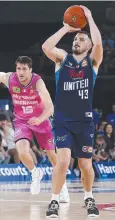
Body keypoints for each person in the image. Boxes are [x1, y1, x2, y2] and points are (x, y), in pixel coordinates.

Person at [42, 5, 103, 217]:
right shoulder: (62, 58)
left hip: (84, 121)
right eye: (76, 39)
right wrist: (66, 28)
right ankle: (54, 201)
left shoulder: (92, 62)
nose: (77, 41)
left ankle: (89, 197)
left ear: (88, 45)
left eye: (81, 39)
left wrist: (90, 18)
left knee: (86, 165)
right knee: (63, 160)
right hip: (62, 120)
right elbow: (46, 46)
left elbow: (98, 42)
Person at [0, 56, 70, 202]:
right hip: (21, 121)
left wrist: (40, 119)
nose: (21, 72)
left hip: (41, 120)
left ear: (30, 70)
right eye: (18, 68)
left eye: (24, 69)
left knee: (52, 156)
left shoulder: (37, 82)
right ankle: (35, 172)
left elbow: (50, 107)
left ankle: (62, 187)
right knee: (22, 152)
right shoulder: (9, 78)